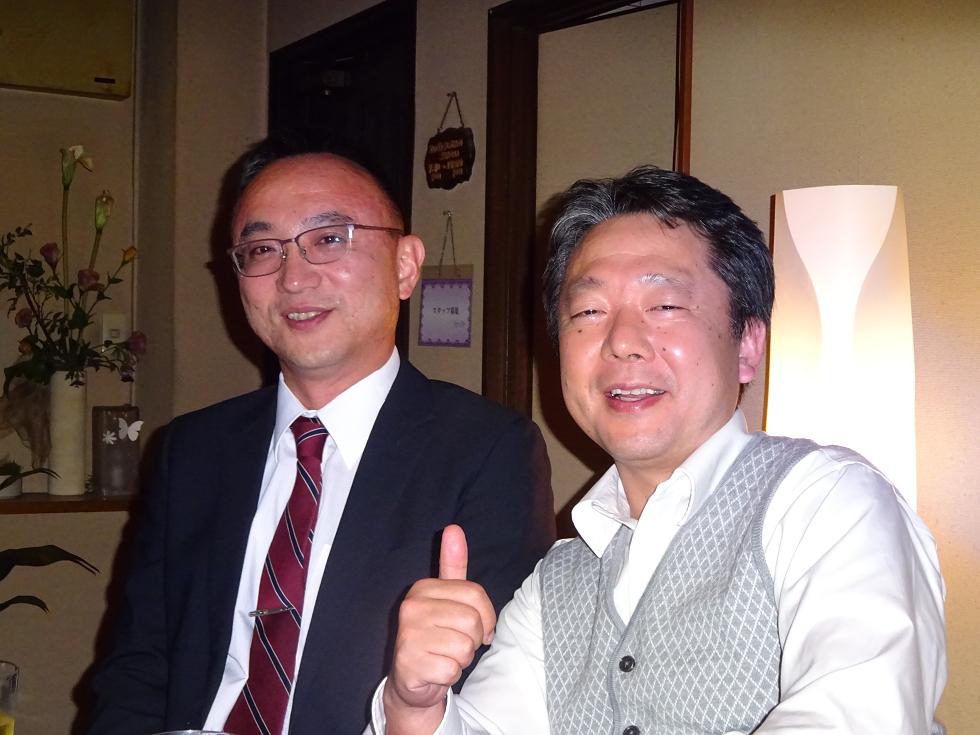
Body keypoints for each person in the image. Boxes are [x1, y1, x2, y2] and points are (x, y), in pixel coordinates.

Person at [373, 166, 947, 735]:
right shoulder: (557, 581)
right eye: (589, 312)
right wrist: (414, 706)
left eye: (665, 305)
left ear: (748, 344)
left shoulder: (829, 506)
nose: (622, 341)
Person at [87, 139, 555, 735]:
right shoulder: (193, 449)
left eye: (330, 238)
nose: (293, 277)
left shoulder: (489, 450)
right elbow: (138, 665)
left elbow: (491, 697)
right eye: (262, 249)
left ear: (405, 266)